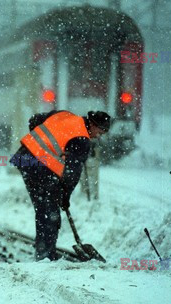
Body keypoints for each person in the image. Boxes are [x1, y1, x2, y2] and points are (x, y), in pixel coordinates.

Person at [10, 110, 111, 261]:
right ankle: (45, 257)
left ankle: (43, 253)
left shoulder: (65, 115)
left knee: (44, 210)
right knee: (50, 215)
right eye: (100, 131)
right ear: (93, 124)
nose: (99, 136)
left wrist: (39, 145)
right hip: (40, 168)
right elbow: (72, 174)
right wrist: (65, 196)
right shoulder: (82, 139)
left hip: (24, 158)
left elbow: (34, 120)